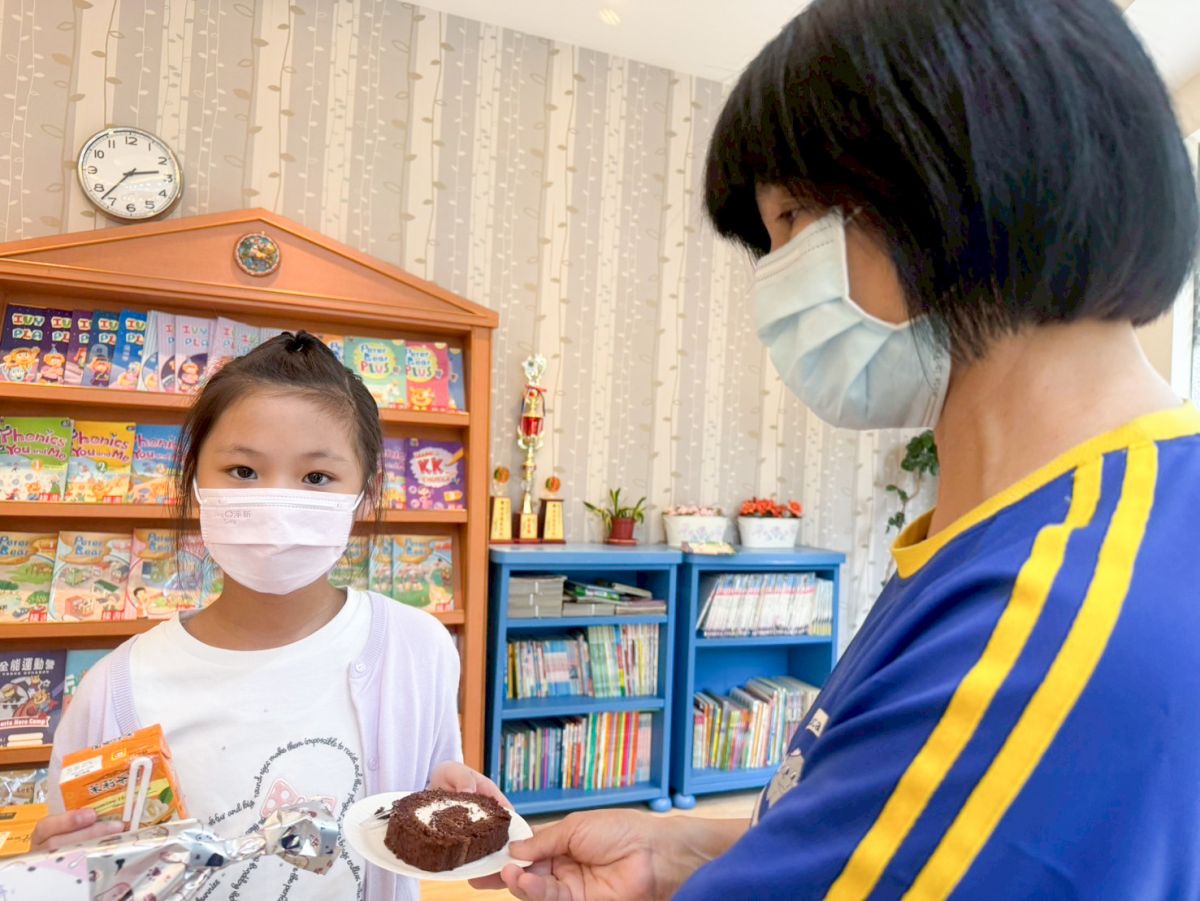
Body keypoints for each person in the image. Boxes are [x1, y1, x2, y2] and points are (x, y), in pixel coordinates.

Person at [478, 0, 1200, 897]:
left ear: (948, 182)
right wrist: (687, 854)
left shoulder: (1050, 611)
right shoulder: (1042, 527)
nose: (774, 280)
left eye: (789, 220)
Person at [34, 332, 503, 901]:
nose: (277, 503)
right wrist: (57, 877)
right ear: (195, 480)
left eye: (316, 478)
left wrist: (461, 814)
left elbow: (426, 801)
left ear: (364, 491)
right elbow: (87, 869)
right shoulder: (114, 690)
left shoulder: (417, 648)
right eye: (243, 470)